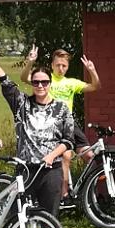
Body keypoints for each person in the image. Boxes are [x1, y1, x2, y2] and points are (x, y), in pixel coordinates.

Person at [0, 55, 85, 216]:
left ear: (50, 83)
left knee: (50, 221)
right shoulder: (22, 104)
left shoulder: (61, 109)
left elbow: (68, 140)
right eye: (36, 82)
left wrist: (51, 155)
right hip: (26, 171)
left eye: (44, 82)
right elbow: (8, 86)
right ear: (32, 84)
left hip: (51, 171)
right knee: (17, 217)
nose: (40, 85)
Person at [22, 46, 100, 195]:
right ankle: (63, 196)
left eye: (64, 65)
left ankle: (89, 195)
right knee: (65, 155)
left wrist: (92, 70)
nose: (61, 68)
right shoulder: (46, 80)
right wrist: (30, 62)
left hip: (69, 123)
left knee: (90, 157)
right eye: (58, 65)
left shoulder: (71, 82)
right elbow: (24, 78)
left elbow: (95, 86)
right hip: (51, 124)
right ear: (52, 65)